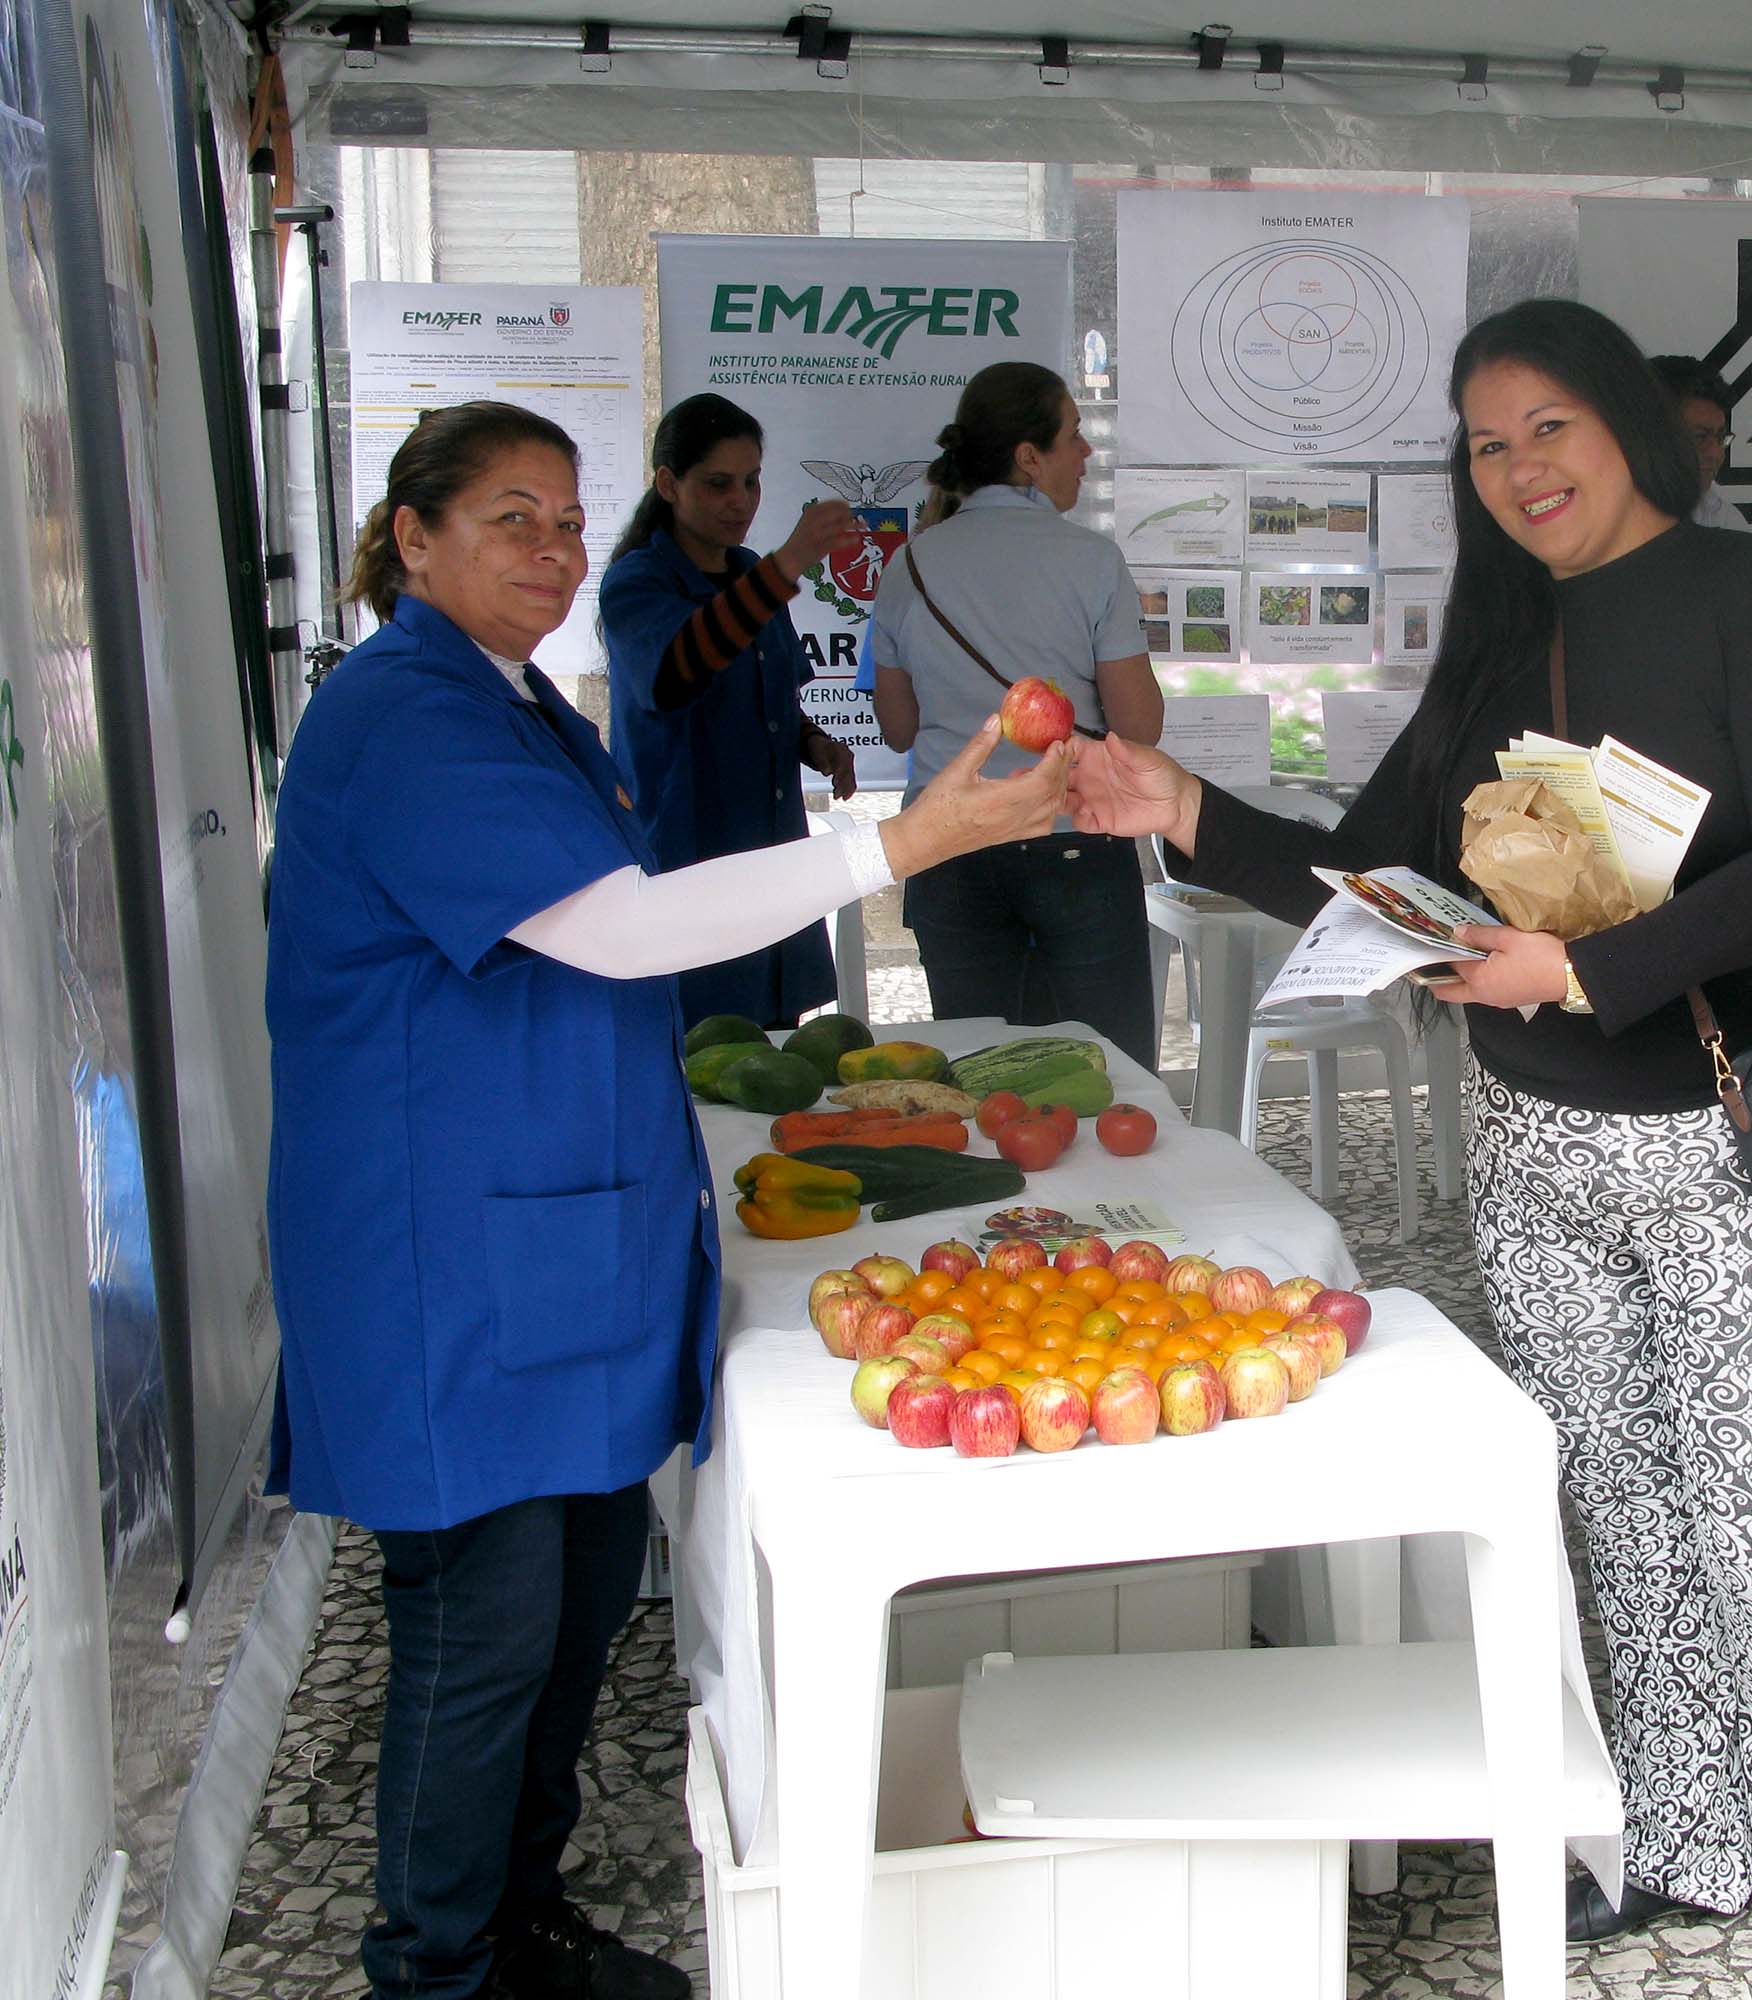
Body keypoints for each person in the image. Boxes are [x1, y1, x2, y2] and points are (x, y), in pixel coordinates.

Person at [1069, 298, 1752, 1964]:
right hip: (1541, 1149)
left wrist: (1580, 965)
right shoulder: (1497, 644)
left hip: (1742, 1128)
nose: (1522, 466)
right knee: (1619, 1502)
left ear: (1627, 423)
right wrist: (1182, 810)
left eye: (1551, 426)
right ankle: (1678, 1834)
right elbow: (1378, 878)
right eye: (1487, 441)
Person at [266, 401, 1071, 2000]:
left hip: (549, 1238)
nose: (555, 553)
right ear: (412, 536)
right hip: (453, 1258)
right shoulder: (401, 714)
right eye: (510, 518)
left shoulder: (512, 708)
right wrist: (896, 843)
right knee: (481, 1629)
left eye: (568, 522)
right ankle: (433, 1966)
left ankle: (518, 1914)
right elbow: (619, 932)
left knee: (568, 1618)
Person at [857, 361, 1166, 1062]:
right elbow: (1139, 728)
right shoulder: (1091, 561)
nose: (1086, 453)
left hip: (949, 848)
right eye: (1074, 435)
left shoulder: (907, 566)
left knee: (982, 1071)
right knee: (1107, 1073)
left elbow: (897, 728)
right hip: (1073, 838)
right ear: (1029, 457)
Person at [599, 391, 861, 1029]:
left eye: (750, 482)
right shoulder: (638, 582)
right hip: (688, 857)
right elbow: (680, 669)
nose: (740, 501)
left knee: (774, 1059)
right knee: (699, 1055)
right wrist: (790, 561)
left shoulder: (748, 572)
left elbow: (776, 697)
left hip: (769, 851)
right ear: (668, 483)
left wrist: (815, 743)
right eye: (718, 484)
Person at [1650, 352, 1746, 528]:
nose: (1715, 453)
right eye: (1699, 437)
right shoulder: (1600, 523)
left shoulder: (1724, 520)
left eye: (1721, 438)